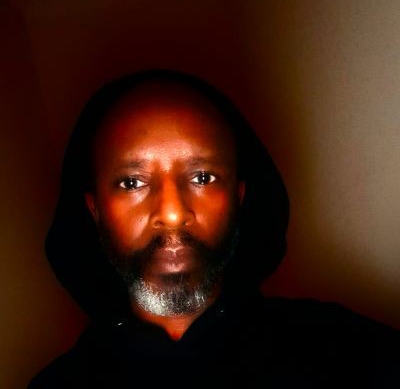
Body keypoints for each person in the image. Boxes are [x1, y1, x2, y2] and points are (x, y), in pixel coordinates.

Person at [29, 70, 399, 388]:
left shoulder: (346, 351)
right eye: (132, 183)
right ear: (95, 210)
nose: (173, 214)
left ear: (239, 197)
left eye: (202, 177)